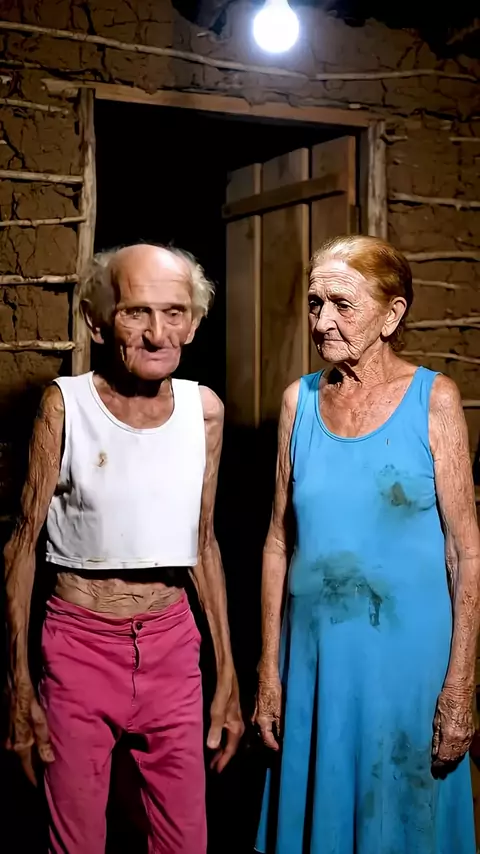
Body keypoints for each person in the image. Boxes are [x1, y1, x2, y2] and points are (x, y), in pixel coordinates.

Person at [5, 243, 244, 854]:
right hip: (79, 646)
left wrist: (228, 676)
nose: (158, 333)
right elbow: (21, 547)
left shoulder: (204, 412)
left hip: (172, 647)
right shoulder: (65, 405)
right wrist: (19, 684)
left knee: (184, 842)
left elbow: (203, 542)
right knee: (77, 843)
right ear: (98, 322)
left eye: (174, 313)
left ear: (193, 324)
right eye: (137, 312)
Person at [254, 235, 479, 854]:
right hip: (316, 666)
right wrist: (269, 671)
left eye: (342, 305)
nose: (322, 321)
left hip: (408, 668)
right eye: (315, 302)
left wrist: (461, 684)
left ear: (391, 314)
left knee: (402, 824)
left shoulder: (435, 400)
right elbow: (277, 542)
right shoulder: (298, 402)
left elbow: (465, 552)